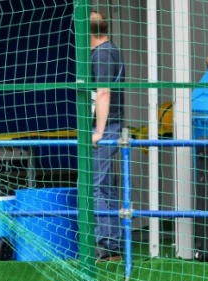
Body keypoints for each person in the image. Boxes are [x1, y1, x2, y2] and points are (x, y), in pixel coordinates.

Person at [90, 10, 125, 261]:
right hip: (110, 126)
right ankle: (111, 243)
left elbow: (104, 92)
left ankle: (107, 244)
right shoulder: (108, 50)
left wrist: (99, 132)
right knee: (104, 187)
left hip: (106, 128)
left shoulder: (102, 53)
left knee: (98, 187)